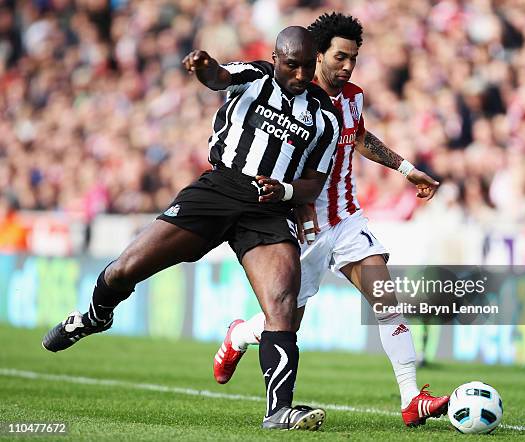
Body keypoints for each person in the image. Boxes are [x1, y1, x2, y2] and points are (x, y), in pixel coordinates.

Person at [42, 26, 341, 431]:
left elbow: (313, 182)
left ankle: (279, 411)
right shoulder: (253, 76)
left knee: (283, 306)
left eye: (309, 67)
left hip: (268, 208)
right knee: (125, 269)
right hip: (219, 189)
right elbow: (219, 77)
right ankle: (95, 317)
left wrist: (284, 189)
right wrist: (203, 66)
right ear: (275, 58)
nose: (302, 75)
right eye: (293, 66)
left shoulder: (324, 116)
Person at [212, 12, 449, 428]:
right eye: (340, 56)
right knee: (284, 321)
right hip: (299, 228)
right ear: (316, 55)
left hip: (345, 220)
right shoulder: (289, 100)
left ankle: (412, 398)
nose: (347, 66)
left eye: (353, 58)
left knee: (386, 301)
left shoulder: (353, 96)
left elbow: (358, 137)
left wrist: (406, 168)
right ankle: (237, 336)